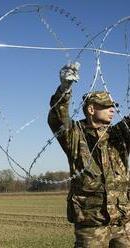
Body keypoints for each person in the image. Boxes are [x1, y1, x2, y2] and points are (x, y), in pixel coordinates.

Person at [48, 62, 130, 247]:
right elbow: (57, 119)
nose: (113, 109)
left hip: (122, 222)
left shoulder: (119, 134)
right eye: (107, 105)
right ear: (91, 109)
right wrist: (64, 90)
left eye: (113, 106)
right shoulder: (75, 134)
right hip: (91, 224)